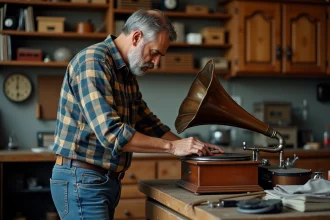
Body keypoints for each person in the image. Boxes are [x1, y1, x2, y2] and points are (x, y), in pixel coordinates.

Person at [50, 9, 223, 220]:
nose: (157, 62)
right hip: (82, 179)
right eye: (155, 52)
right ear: (137, 37)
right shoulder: (93, 62)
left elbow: (149, 124)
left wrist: (190, 148)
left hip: (98, 180)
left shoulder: (125, 73)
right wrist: (173, 147)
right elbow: (111, 133)